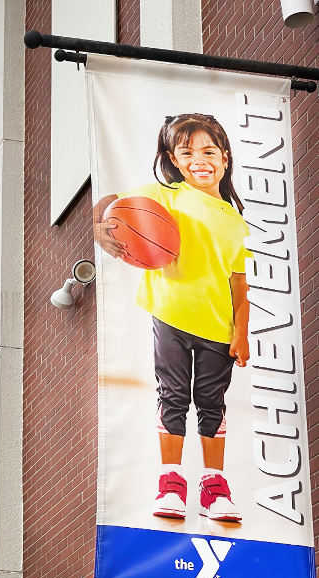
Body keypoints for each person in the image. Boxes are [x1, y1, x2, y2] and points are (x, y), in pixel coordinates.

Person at [93, 113, 251, 523]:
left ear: (225, 157)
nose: (200, 160)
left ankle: (214, 487)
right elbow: (109, 202)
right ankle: (172, 483)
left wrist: (242, 333)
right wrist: (98, 228)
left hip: (218, 325)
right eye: (187, 152)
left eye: (209, 151)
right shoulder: (166, 196)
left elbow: (238, 283)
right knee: (174, 397)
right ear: (174, 160)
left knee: (211, 404)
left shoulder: (234, 220)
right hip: (171, 313)